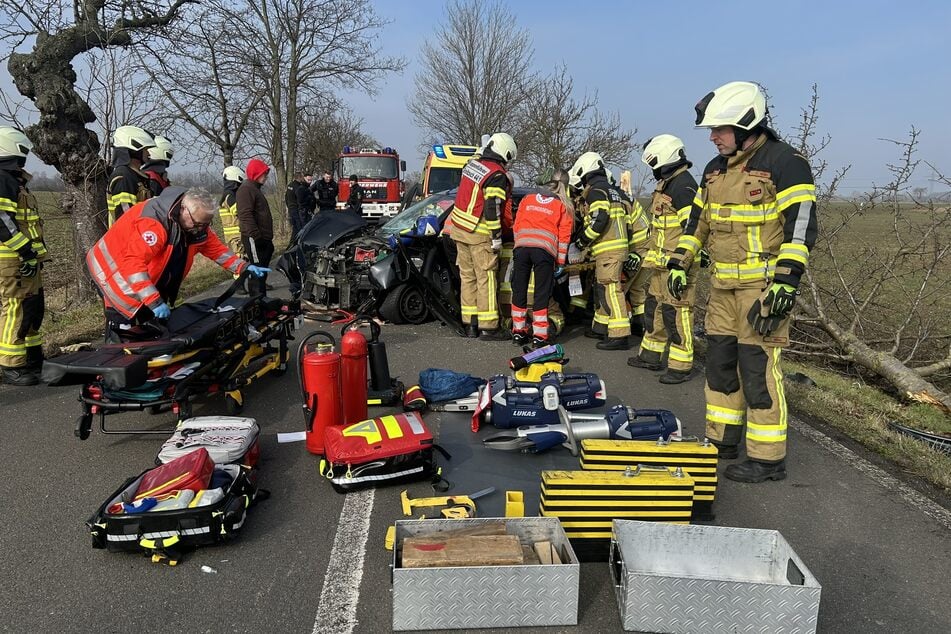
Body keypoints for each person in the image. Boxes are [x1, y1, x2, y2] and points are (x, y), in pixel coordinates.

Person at [667, 81, 817, 483]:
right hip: (721, 291)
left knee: (758, 371)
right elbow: (696, 223)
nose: (713, 137)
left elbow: (800, 228)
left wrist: (786, 282)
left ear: (746, 124)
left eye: (719, 129)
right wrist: (680, 261)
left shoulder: (785, 162)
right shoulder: (714, 170)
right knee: (719, 366)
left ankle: (767, 459)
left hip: (761, 291)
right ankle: (722, 441)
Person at [86, 186, 268, 343]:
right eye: (197, 223)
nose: (200, 229)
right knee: (124, 327)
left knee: (148, 324)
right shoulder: (155, 223)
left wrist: (243, 267)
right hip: (111, 272)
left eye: (205, 224)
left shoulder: (195, 224)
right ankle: (115, 367)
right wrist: (154, 302)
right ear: (183, 210)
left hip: (135, 271)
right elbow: (133, 264)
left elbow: (216, 250)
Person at [628, 134, 702, 385]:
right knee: (654, 308)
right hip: (661, 265)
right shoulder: (668, 185)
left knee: (676, 313)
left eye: (654, 164)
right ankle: (650, 355)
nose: (653, 170)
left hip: (678, 266)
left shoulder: (683, 187)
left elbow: (693, 229)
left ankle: (681, 366)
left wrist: (681, 264)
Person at [449, 132, 517, 340]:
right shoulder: (496, 175)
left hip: (459, 230)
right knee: (485, 278)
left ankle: (470, 324)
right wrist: (497, 236)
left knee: (467, 278)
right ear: (505, 153)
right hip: (479, 233)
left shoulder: (472, 166)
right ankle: (488, 327)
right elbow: (492, 207)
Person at [569, 151, 631, 350]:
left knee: (611, 289)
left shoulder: (595, 191)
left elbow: (599, 218)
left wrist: (582, 241)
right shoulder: (611, 190)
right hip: (616, 247)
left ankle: (619, 335)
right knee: (604, 288)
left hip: (608, 249)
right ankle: (602, 328)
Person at [0, 127, 48, 386]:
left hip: (26, 258)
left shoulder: (13, 178)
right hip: (12, 258)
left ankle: (31, 358)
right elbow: (2, 221)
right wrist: (25, 251)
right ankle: (10, 365)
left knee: (33, 307)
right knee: (16, 307)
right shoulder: (2, 178)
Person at [510, 168, 573, 347]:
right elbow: (564, 237)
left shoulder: (528, 198)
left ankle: (518, 332)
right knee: (541, 294)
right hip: (544, 251)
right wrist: (560, 262)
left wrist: (518, 246)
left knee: (519, 291)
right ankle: (539, 336)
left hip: (522, 248)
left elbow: (516, 225)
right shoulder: (563, 205)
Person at [237, 158, 275, 296]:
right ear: (256, 174)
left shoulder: (255, 189)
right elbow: (245, 215)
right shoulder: (246, 190)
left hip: (262, 238)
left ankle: (262, 299)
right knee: (257, 270)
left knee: (262, 271)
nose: (266, 177)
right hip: (254, 238)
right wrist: (256, 236)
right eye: (264, 174)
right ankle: (256, 302)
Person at [107, 125, 155, 227]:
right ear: (135, 149)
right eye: (145, 149)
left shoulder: (136, 176)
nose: (148, 153)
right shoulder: (123, 177)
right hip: (127, 240)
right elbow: (126, 217)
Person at [219, 166, 246, 292]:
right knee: (239, 258)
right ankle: (238, 285)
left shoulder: (229, 194)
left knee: (245, 258)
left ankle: (253, 283)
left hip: (238, 234)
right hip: (235, 235)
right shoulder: (229, 195)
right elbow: (237, 210)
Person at [285, 172, 312, 238]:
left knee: (295, 228)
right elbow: (300, 199)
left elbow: (286, 197)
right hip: (297, 209)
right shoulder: (298, 187)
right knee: (300, 228)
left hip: (291, 209)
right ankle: (298, 243)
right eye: (302, 177)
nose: (303, 179)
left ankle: (292, 243)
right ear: (299, 177)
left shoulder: (290, 185)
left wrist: (289, 206)